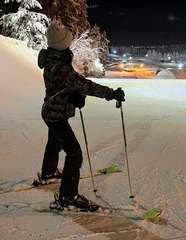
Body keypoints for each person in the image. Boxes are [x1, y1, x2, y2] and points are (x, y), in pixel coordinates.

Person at [37, 22, 125, 211]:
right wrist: (111, 94)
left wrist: (75, 96)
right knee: (74, 154)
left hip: (54, 111)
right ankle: (68, 197)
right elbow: (83, 84)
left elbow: (65, 86)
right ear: (62, 44)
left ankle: (49, 172)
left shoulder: (56, 59)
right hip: (55, 115)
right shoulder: (57, 65)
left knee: (55, 143)